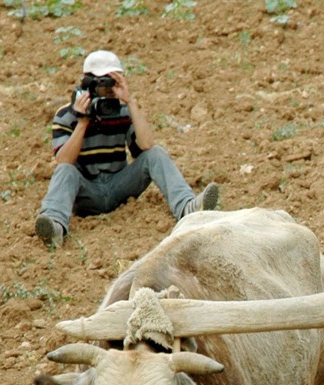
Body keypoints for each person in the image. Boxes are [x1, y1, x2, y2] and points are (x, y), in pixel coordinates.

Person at [34, 50, 219, 249]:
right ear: (88, 83)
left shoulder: (122, 111)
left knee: (155, 154)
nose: (109, 89)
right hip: (86, 191)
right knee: (65, 170)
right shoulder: (65, 115)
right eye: (103, 83)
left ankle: (188, 208)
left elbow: (147, 146)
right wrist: (82, 122)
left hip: (118, 185)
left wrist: (130, 102)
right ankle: (55, 227)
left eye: (113, 82)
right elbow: (64, 161)